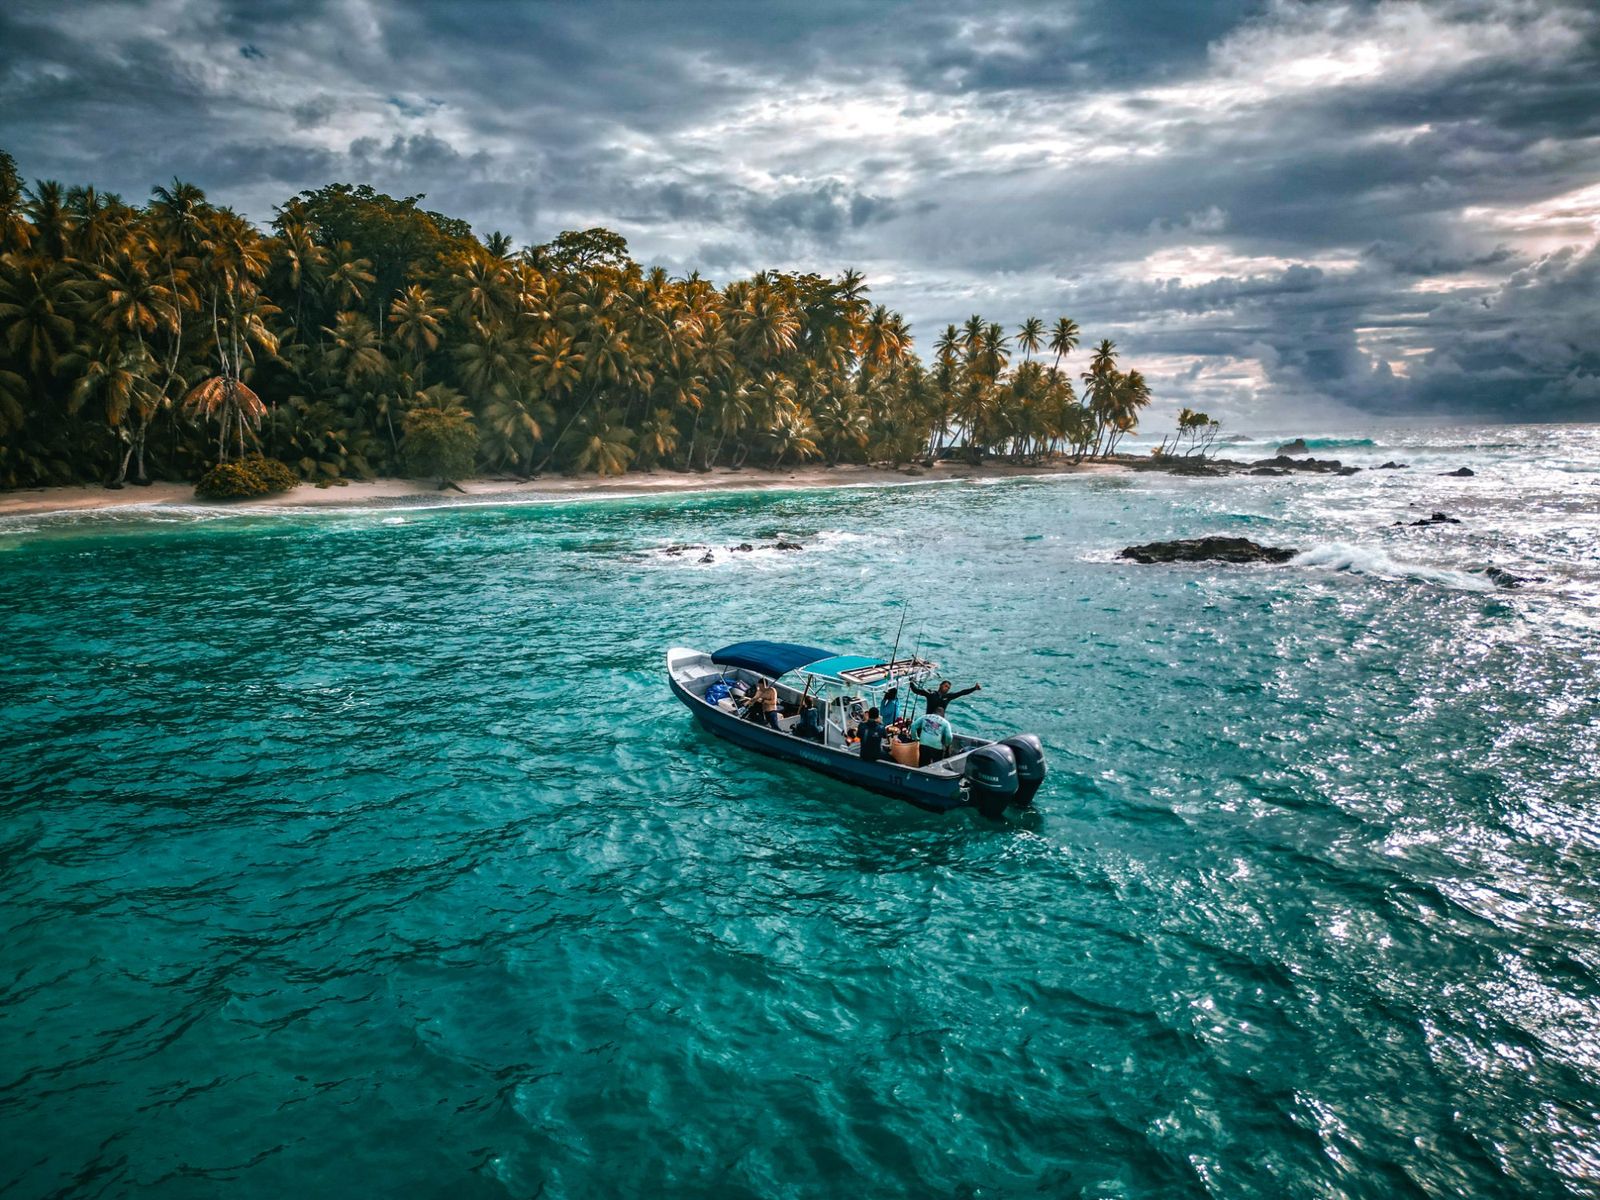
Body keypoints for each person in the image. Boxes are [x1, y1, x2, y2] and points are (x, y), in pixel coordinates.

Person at [911, 678, 980, 717]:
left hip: (940, 722)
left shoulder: (948, 696)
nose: (947, 688)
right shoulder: (931, 694)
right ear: (940, 685)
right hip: (928, 718)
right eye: (946, 686)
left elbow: (962, 693)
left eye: (948, 688)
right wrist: (911, 682)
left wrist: (974, 688)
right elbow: (916, 690)